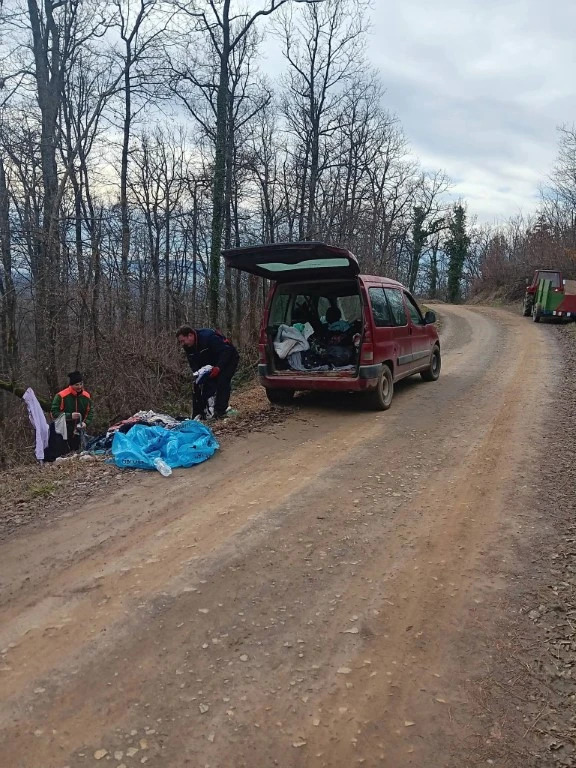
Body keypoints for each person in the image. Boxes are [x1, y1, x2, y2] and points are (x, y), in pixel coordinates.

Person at [176, 325, 239, 419]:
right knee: (199, 384)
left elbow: (226, 351)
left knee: (222, 380)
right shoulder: (188, 346)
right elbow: (193, 363)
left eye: (183, 341)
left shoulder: (208, 337)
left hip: (229, 358)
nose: (182, 344)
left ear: (190, 335)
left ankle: (220, 411)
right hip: (210, 362)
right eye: (180, 342)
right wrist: (198, 374)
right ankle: (199, 413)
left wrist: (218, 367)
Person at [50, 371, 93, 452]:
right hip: (62, 433)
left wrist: (85, 423)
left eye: (81, 384)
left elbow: (90, 412)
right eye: (76, 385)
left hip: (79, 432)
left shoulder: (86, 396)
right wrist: (70, 416)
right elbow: (54, 413)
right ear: (71, 385)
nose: (79, 387)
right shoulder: (61, 396)